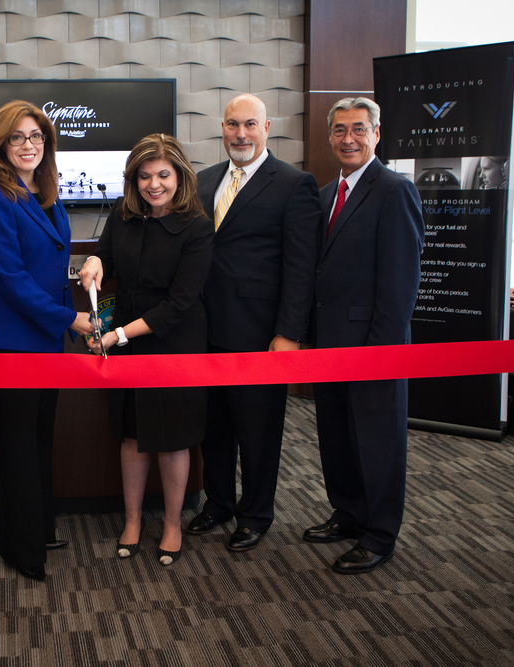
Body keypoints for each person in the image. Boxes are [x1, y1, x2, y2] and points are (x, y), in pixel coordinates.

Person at [0, 100, 93, 582]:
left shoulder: (45, 193)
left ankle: (38, 526)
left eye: (36, 137)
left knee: (41, 436)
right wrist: (71, 318)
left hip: (41, 335)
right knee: (19, 442)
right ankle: (22, 548)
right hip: (10, 339)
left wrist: (80, 272)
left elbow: (43, 263)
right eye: (17, 137)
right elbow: (11, 279)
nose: (28, 145)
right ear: (0, 144)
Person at [187, 94, 320, 552]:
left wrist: (290, 334)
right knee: (215, 427)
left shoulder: (294, 184)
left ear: (267, 127)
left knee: (258, 432)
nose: (240, 134)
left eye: (249, 125)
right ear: (221, 128)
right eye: (231, 125)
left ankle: (256, 513)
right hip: (206, 332)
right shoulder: (203, 181)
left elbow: (301, 268)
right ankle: (219, 503)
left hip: (260, 335)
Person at [80, 134, 214, 566]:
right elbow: (105, 261)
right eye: (144, 176)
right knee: (132, 435)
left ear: (180, 176)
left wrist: (117, 336)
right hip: (127, 339)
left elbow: (180, 304)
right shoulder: (123, 213)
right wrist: (94, 267)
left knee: (173, 439)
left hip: (175, 341)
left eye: (163, 175)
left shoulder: (197, 225)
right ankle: (133, 520)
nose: (153, 184)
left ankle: (172, 525)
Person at [308, 97, 424, 574]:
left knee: (377, 440)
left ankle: (379, 534)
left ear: (377, 134)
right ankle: (349, 512)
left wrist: (383, 351)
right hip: (327, 344)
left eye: (358, 129)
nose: (348, 138)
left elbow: (401, 283)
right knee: (336, 436)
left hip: (373, 346)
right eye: (339, 130)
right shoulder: (321, 195)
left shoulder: (394, 190)